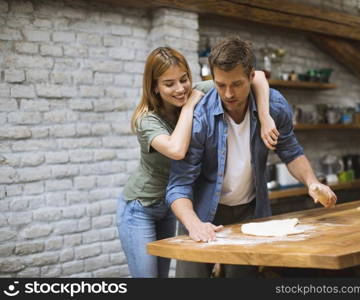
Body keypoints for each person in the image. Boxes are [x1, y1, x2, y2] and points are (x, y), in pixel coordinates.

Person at [166, 37, 337, 278]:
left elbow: (291, 151)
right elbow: (179, 184)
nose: (228, 93)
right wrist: (194, 225)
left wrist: (312, 182)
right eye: (220, 84)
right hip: (200, 212)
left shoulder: (274, 107)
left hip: (249, 212)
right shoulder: (200, 118)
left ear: (251, 76)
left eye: (236, 84)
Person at [116, 46, 278, 278]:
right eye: (169, 83)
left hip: (172, 205)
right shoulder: (147, 120)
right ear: (155, 86)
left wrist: (264, 115)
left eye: (184, 79)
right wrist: (190, 106)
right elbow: (177, 149)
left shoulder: (199, 90)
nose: (181, 89)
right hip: (141, 207)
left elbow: (258, 77)